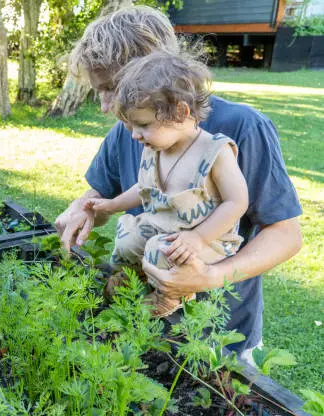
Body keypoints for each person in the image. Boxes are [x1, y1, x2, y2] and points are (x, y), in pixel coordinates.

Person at [55, 6, 302, 360]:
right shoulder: (129, 130)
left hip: (218, 335)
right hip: (142, 325)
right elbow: (102, 193)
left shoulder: (242, 127)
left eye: (112, 88)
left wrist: (209, 277)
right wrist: (82, 208)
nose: (107, 106)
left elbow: (285, 234)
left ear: (155, 73)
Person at [83, 51, 248, 318]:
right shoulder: (156, 147)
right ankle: (133, 275)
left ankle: (168, 295)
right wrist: (112, 205)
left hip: (207, 239)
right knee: (129, 239)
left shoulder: (215, 152)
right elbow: (143, 187)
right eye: (130, 126)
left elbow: (237, 202)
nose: (135, 135)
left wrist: (197, 237)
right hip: (164, 227)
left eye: (143, 125)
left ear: (180, 113)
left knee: (160, 250)